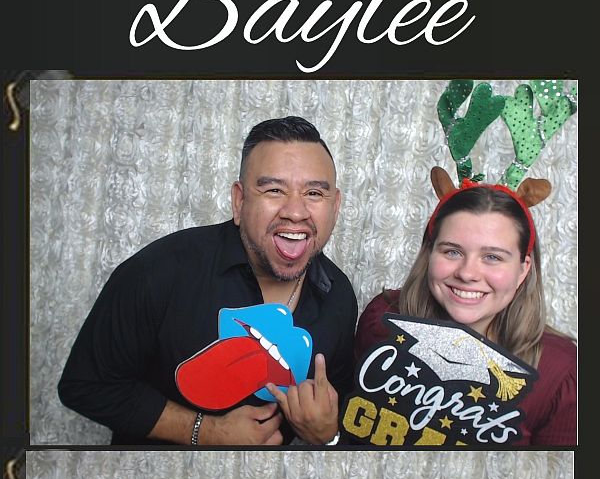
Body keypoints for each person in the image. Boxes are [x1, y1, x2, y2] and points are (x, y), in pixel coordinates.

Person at [58, 116, 357, 448]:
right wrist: (208, 432)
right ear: (239, 202)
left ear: (335, 206)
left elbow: (335, 414)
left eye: (314, 193)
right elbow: (86, 386)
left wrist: (327, 436)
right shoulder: (158, 271)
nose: (296, 212)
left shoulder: (339, 297)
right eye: (274, 190)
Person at [354, 176, 576, 447]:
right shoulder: (381, 320)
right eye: (452, 252)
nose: (467, 273)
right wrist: (327, 436)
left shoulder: (562, 372)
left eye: (492, 257)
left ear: (523, 269)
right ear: (429, 253)